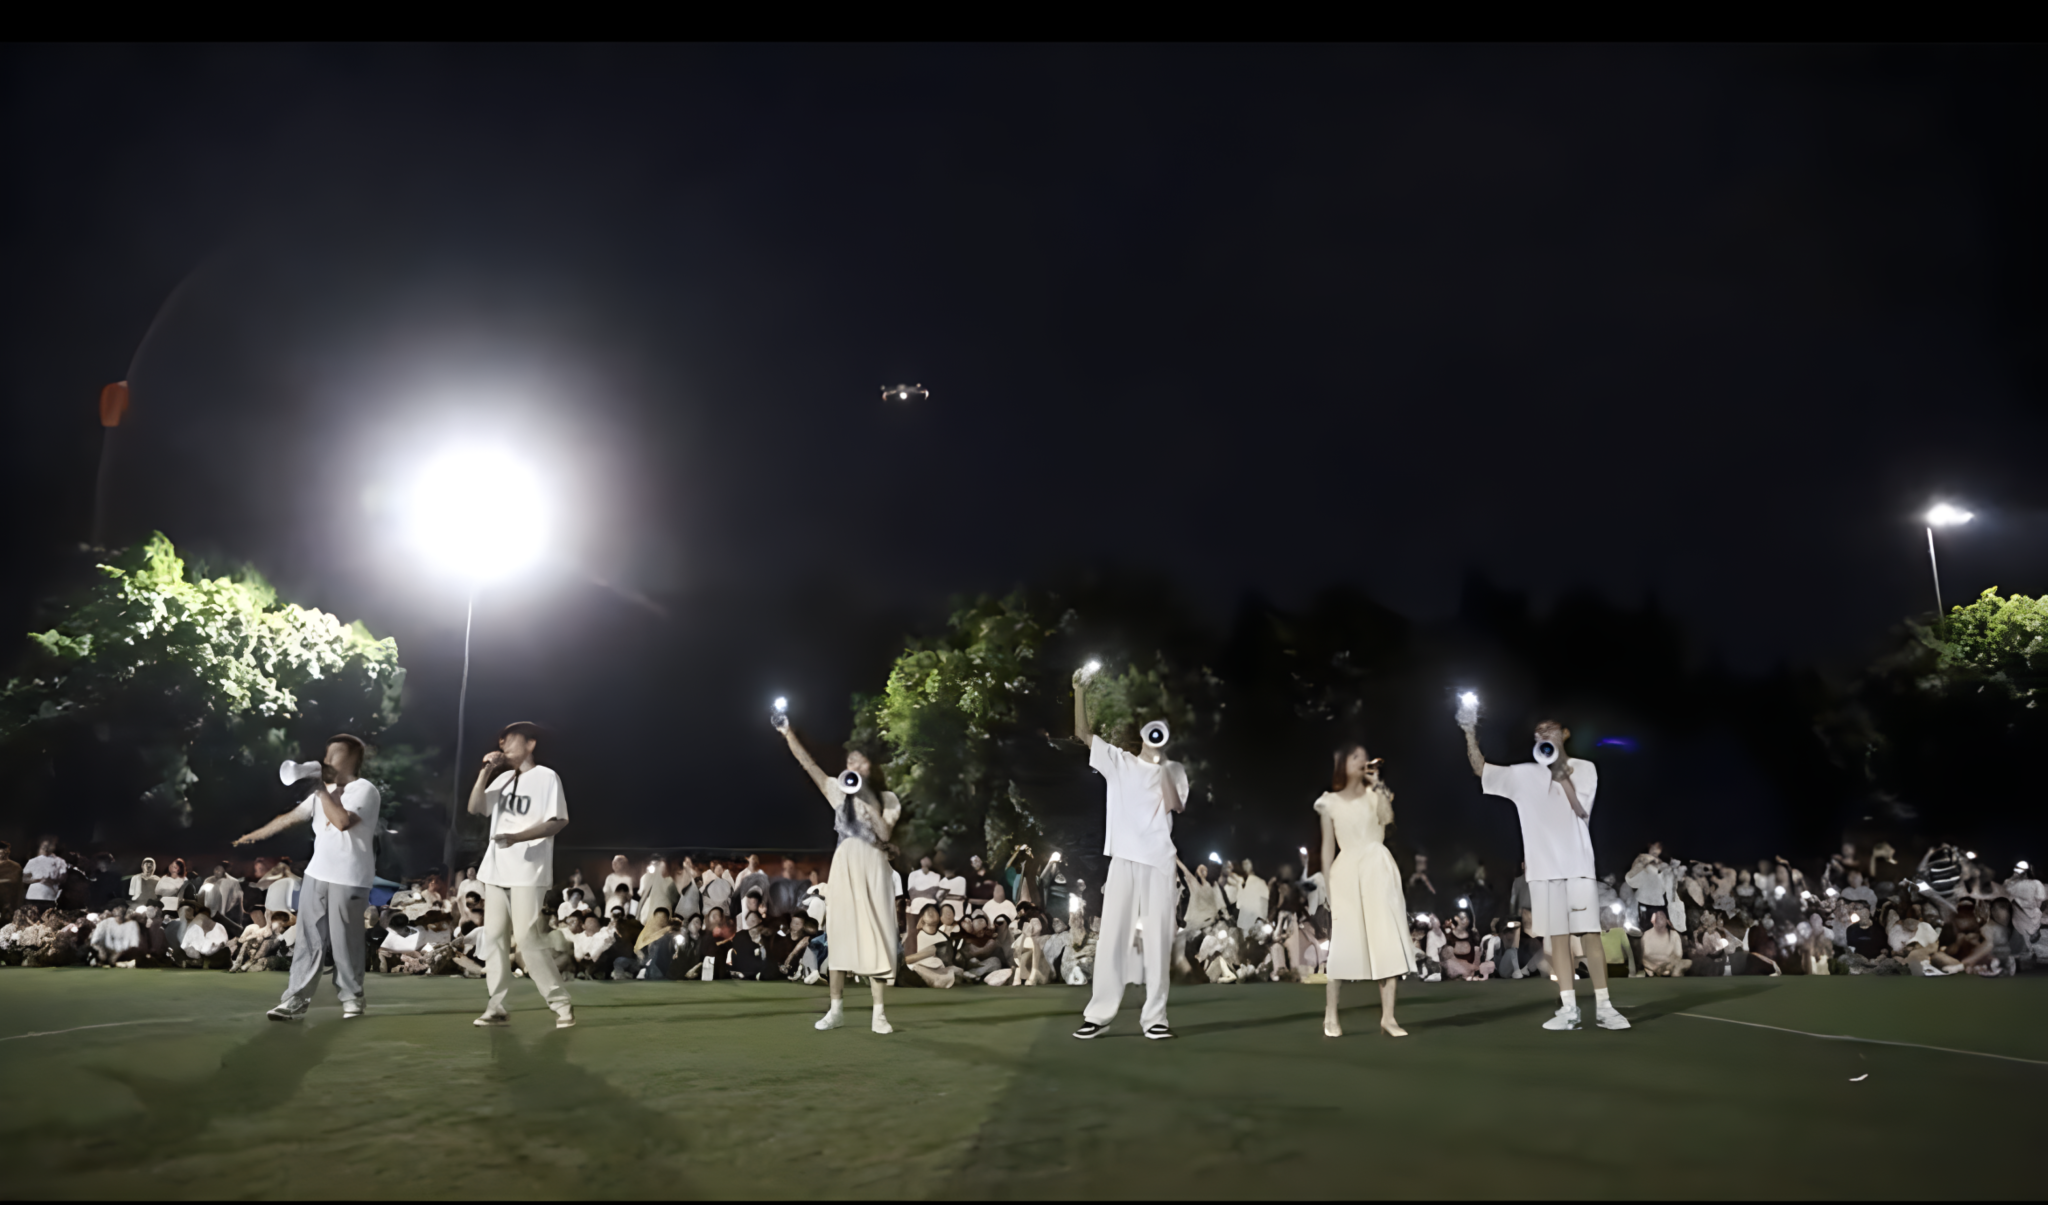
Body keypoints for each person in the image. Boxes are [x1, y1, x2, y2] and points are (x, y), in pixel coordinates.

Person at [1463, 713, 1629, 1031]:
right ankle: (1568, 1009)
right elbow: (1481, 769)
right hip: (1542, 871)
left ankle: (1605, 1008)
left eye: (1550, 729)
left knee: (1590, 935)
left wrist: (1560, 775)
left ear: (1564, 734)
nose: (1543, 734)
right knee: (1558, 939)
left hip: (1577, 865)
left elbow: (1580, 810)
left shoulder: (1584, 768)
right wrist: (1469, 731)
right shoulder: (1524, 774)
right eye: (1539, 732)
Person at [1068, 661, 1188, 1041]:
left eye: (1162, 730)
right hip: (1123, 859)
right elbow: (1082, 733)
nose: (1156, 734)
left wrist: (1162, 764)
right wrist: (1079, 690)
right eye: (1152, 729)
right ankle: (1098, 1014)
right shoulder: (1119, 761)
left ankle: (1155, 1019)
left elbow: (1175, 805)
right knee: (1112, 939)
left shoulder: (1175, 770)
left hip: (1159, 862)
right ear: (1142, 732)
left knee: (1157, 942)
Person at [236, 734, 382, 1022]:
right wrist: (252, 836)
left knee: (345, 941)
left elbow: (342, 822)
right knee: (308, 939)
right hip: (316, 874)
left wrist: (321, 790)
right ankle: (295, 999)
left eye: (333, 756)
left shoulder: (364, 790)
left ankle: (352, 997)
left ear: (352, 759)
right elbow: (289, 817)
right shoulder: (322, 792)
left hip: (350, 876)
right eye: (326, 755)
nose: (326, 761)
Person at [774, 709, 901, 1034]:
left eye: (861, 761)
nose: (854, 766)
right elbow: (809, 765)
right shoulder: (838, 791)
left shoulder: (887, 798)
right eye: (850, 761)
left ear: (872, 767)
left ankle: (879, 1014)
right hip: (844, 863)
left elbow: (885, 833)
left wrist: (866, 801)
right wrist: (788, 733)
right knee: (840, 934)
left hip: (873, 866)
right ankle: (836, 1010)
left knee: (875, 934)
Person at [468, 721, 575, 1028]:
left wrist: (518, 837)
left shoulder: (546, 777)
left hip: (528, 870)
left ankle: (560, 1003)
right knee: (494, 938)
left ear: (530, 744)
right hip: (495, 869)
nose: (505, 746)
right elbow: (476, 807)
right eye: (503, 741)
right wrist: (485, 772)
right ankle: (497, 1007)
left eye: (512, 740)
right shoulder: (502, 779)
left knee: (527, 938)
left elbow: (558, 821)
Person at [1314, 743, 1416, 1035]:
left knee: (1387, 939)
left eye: (1364, 757)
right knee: (1344, 943)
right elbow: (1327, 849)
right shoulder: (1329, 802)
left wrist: (1379, 785)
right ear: (1343, 764)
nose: (1363, 761)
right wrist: (1327, 887)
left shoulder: (1378, 794)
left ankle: (1388, 1017)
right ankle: (1331, 1014)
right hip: (1346, 871)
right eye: (1355, 757)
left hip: (1378, 867)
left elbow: (1387, 820)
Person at [88, 902, 143, 967]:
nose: (119, 918)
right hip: (104, 950)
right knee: (102, 957)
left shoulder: (131, 924)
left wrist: (118, 954)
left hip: (121, 952)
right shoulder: (105, 923)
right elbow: (94, 942)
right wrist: (101, 951)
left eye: (122, 916)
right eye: (118, 916)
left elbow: (134, 943)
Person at [22, 838, 68, 916]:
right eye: (44, 846)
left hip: (50, 896)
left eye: (49, 846)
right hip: (33, 896)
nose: (46, 848)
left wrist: (52, 879)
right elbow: (24, 879)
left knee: (47, 916)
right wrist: (37, 880)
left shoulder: (60, 862)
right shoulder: (33, 861)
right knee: (31, 917)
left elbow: (63, 879)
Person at [1640, 910, 1689, 976]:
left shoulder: (1645, 935)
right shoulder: (1674, 935)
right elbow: (1679, 954)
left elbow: (1641, 955)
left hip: (1655, 967)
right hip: (1662, 967)